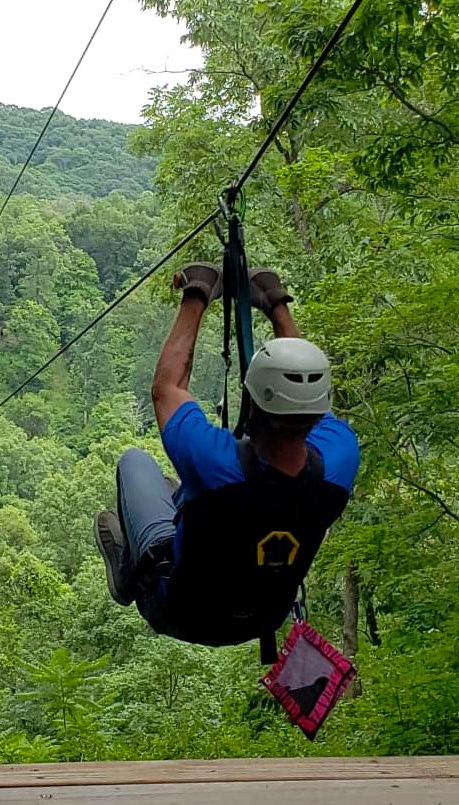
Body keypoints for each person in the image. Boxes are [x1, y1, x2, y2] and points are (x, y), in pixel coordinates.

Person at [94, 263, 359, 647]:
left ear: (251, 403)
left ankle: (126, 570)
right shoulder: (339, 461)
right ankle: (171, 504)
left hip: (178, 610)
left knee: (136, 462)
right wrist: (277, 305)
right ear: (319, 414)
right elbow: (307, 395)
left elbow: (167, 387)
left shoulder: (216, 463)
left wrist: (197, 292)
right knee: (182, 490)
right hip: (261, 616)